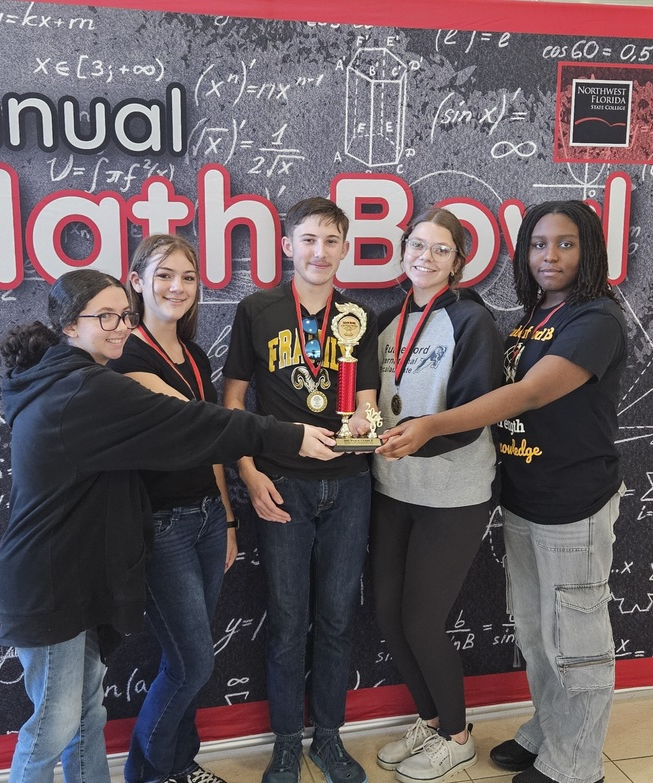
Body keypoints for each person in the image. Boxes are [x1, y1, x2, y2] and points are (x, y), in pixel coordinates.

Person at [0, 269, 340, 783]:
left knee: (86, 716)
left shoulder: (69, 378)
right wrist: (288, 436)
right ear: (68, 325)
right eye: (104, 316)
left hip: (72, 576)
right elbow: (193, 423)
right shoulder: (82, 390)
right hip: (49, 584)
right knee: (52, 726)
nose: (119, 327)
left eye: (123, 316)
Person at [377, 201, 627, 783]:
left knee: (577, 639)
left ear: (589, 250)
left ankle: (574, 766)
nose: (550, 256)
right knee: (538, 633)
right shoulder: (538, 314)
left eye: (565, 244)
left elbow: (534, 392)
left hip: (575, 501)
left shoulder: (596, 319)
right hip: (523, 494)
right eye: (539, 244)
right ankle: (548, 731)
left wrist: (434, 425)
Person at [222, 197, 378, 783]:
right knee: (288, 621)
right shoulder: (257, 310)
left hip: (349, 486)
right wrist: (249, 472)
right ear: (288, 246)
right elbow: (233, 403)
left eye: (331, 241)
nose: (319, 252)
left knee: (337, 618)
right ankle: (287, 742)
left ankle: (329, 738)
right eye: (308, 239)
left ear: (344, 248)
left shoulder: (358, 314)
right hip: (281, 485)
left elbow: (364, 400)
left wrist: (365, 423)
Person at [370, 209, 503, 783]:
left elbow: (472, 416)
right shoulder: (385, 320)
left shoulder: (473, 321)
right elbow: (373, 400)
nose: (425, 256)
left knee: (423, 620)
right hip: (391, 487)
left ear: (458, 262)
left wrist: (407, 442)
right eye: (417, 245)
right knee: (387, 615)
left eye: (441, 249)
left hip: (455, 490)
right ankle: (429, 720)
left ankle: (458, 735)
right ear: (403, 251)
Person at [107, 234, 238, 783]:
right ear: (137, 281)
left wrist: (228, 518)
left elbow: (210, 448)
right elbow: (203, 424)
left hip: (207, 520)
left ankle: (181, 764)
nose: (177, 287)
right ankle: (147, 775)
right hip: (162, 529)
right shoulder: (126, 355)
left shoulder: (195, 353)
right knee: (192, 663)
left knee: (188, 661)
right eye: (163, 275)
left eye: (187, 277)